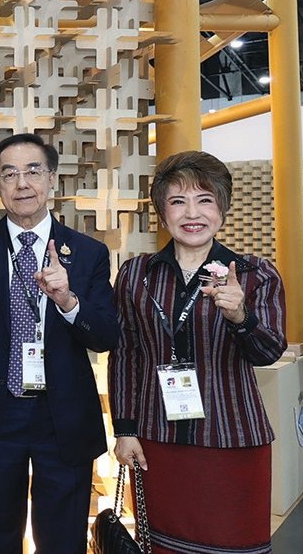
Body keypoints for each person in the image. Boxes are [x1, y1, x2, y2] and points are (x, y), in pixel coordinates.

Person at [0, 133, 118, 552]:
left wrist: (68, 300)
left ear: (52, 179)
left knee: (63, 539)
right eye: (10, 174)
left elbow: (106, 336)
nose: (22, 183)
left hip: (63, 416)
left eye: (33, 171)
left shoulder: (88, 252)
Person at [109, 150, 286, 553]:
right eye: (178, 201)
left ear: (222, 208)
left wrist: (241, 316)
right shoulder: (137, 274)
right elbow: (126, 354)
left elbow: (269, 351)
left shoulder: (255, 273)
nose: (192, 213)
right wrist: (124, 430)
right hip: (156, 439)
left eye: (204, 200)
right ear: (162, 213)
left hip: (233, 437)